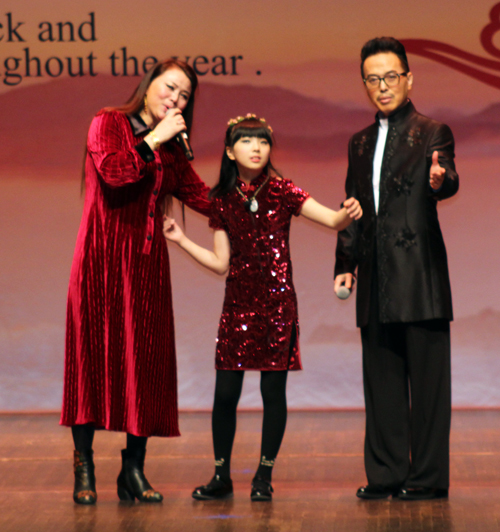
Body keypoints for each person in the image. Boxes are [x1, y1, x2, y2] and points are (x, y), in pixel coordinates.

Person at [163, 114, 362, 501]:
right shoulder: (221, 200)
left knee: (274, 393)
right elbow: (221, 264)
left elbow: (332, 220)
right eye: (247, 141)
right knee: (225, 395)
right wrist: (181, 240)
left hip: (277, 306)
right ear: (229, 150)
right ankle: (221, 476)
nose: (256, 148)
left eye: (263, 142)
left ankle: (263, 476)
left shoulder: (283, 190)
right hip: (237, 306)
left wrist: (346, 212)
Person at [60, 59, 211, 505]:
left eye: (184, 96)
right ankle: (84, 467)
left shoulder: (172, 149)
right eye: (170, 88)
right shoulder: (108, 122)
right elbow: (115, 172)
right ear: (148, 87)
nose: (176, 100)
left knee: (144, 365)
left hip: (145, 267)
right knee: (90, 363)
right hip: (99, 263)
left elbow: (201, 195)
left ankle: (133, 469)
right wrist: (154, 140)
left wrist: (259, 200)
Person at [334, 37, 459, 501]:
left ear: (409, 78)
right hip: (375, 278)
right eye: (373, 79)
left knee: (427, 387)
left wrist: (441, 179)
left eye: (390, 77)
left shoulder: (432, 131)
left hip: (420, 277)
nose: (382, 87)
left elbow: (446, 177)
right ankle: (386, 473)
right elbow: (354, 206)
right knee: (382, 381)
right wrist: (345, 262)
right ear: (364, 84)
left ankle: (426, 477)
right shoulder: (359, 142)